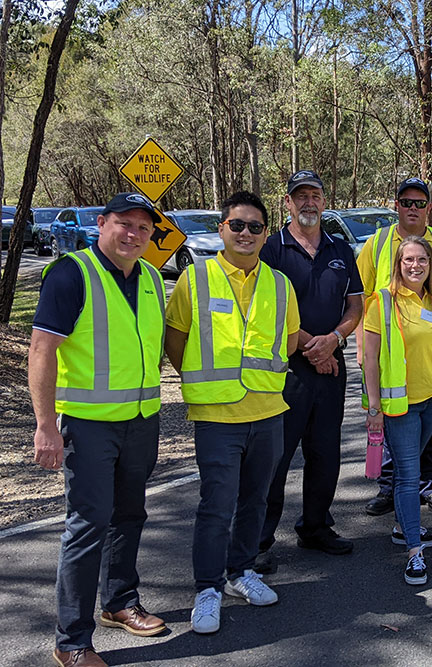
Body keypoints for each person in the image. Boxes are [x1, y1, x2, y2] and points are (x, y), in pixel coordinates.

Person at [30, 192, 168, 667]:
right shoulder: (72, 272)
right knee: (87, 527)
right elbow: (42, 350)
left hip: (141, 421)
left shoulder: (151, 276)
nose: (133, 234)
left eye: (143, 228)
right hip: (88, 427)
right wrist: (45, 425)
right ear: (102, 223)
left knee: (130, 517)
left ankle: (119, 603)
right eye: (124, 224)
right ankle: (71, 642)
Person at [164, 191, 299, 634]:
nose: (245, 233)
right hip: (217, 414)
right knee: (216, 504)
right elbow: (176, 341)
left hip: (267, 410)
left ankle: (242, 572)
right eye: (236, 225)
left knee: (255, 499)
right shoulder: (195, 279)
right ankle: (208, 588)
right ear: (222, 229)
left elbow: (291, 340)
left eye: (255, 227)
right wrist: (206, 382)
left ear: (266, 233)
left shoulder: (280, 284)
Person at [255, 170, 364, 573]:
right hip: (286, 371)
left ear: (324, 199)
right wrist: (309, 345)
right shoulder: (272, 249)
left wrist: (333, 339)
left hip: (330, 369)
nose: (308, 203)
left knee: (325, 455)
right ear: (287, 202)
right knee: (276, 458)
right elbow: (266, 309)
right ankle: (259, 540)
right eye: (300, 196)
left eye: (315, 195)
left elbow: (355, 305)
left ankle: (315, 527)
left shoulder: (340, 248)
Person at [356, 177, 432, 516]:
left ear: (429, 209)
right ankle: (390, 488)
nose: (412, 208)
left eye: (420, 203)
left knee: (429, 422)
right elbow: (361, 297)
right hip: (390, 356)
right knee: (393, 422)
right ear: (396, 206)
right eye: (406, 202)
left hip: (430, 349)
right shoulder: (377, 244)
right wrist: (364, 348)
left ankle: (429, 486)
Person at [363, 236, 432, 585]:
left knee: (412, 466)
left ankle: (405, 526)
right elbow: (369, 359)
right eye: (408, 260)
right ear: (398, 264)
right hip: (400, 406)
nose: (415, 266)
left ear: (430, 265)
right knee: (407, 475)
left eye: (422, 260)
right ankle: (414, 553)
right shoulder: (382, 302)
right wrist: (374, 408)